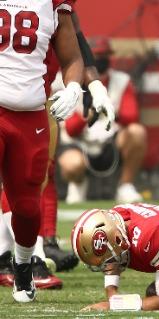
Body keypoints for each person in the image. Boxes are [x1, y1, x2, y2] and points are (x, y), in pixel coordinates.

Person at [0, 6, 117, 287]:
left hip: (38, 97)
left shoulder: (55, 6)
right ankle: (16, 253)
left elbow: (74, 41)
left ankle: (29, 251)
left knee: (34, 180)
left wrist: (90, 87)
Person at [0, 0, 84, 302]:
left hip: (31, 114)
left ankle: (22, 264)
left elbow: (72, 57)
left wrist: (74, 88)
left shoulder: (53, 4)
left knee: (27, 206)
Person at [57, 37, 147, 204]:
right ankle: (78, 183)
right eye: (95, 56)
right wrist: (89, 114)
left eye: (103, 55)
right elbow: (70, 128)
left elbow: (132, 115)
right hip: (79, 143)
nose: (98, 60)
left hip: (110, 140)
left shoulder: (121, 80)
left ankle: (125, 186)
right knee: (71, 164)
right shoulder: (69, 81)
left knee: (137, 132)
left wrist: (110, 109)